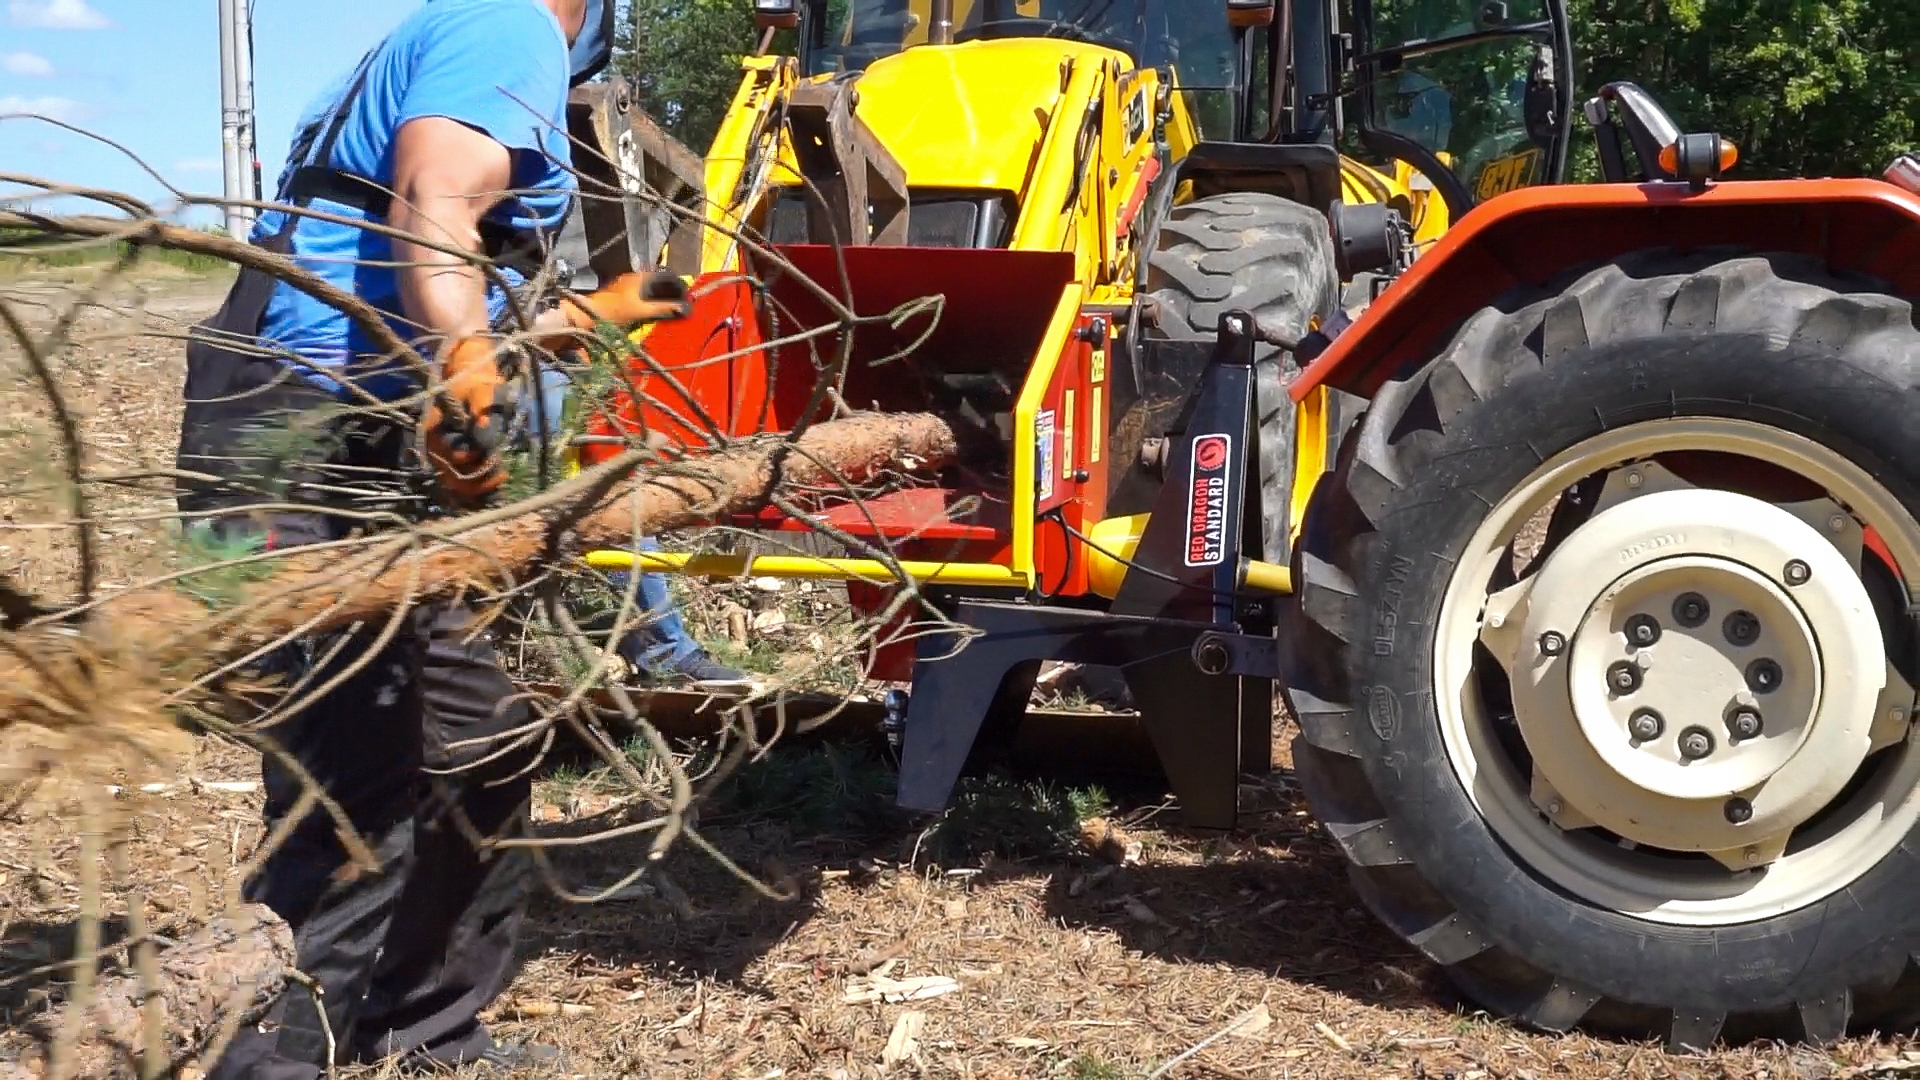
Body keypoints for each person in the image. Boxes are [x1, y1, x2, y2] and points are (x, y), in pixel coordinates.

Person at [173, 0, 624, 1073]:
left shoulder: (442, 36)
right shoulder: (512, 24)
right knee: (349, 784)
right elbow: (434, 199)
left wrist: (574, 320)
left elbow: (402, 230)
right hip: (309, 428)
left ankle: (423, 1025)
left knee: (485, 730)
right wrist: (471, 359)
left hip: (349, 426)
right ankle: (269, 1062)